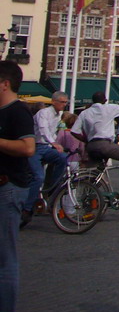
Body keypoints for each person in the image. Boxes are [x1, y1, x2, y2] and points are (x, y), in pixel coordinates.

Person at [0, 61, 35, 312]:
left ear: (5, 84)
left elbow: (28, 148)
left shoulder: (18, 111)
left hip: (8, 187)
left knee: (5, 259)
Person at [71, 92, 119, 198]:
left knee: (95, 175)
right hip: (105, 144)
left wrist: (86, 140)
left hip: (91, 146)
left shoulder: (84, 113)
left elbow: (74, 131)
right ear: (105, 100)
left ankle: (89, 201)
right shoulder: (108, 108)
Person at [23, 91, 70, 227]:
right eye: (62, 102)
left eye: (66, 102)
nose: (64, 104)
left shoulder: (58, 115)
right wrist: (54, 143)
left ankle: (51, 188)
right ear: (54, 101)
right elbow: (43, 130)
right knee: (38, 177)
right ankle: (27, 208)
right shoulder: (43, 113)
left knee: (62, 158)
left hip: (46, 147)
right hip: (35, 146)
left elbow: (52, 132)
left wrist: (55, 144)